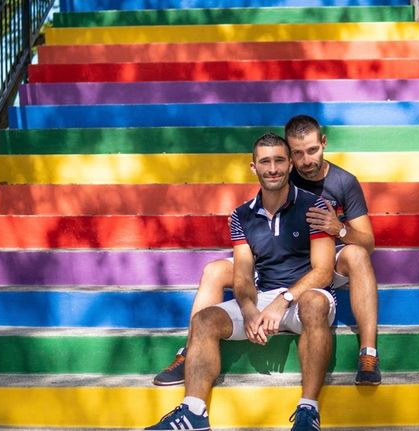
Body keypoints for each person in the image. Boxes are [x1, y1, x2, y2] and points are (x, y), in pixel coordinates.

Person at [153, 115, 380, 387]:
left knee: (357, 254)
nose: (306, 160)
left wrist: (338, 228)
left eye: (312, 151)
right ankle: (189, 352)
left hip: (325, 254)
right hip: (280, 258)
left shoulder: (344, 182)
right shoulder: (280, 170)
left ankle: (368, 352)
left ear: (323, 143)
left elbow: (368, 242)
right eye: (297, 153)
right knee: (214, 270)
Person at [146, 132, 336, 430]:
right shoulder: (241, 215)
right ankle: (193, 412)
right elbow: (244, 272)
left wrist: (282, 301)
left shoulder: (315, 206)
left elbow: (323, 272)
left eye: (279, 161)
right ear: (253, 167)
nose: (272, 168)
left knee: (313, 301)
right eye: (265, 162)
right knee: (205, 320)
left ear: (289, 165)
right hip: (263, 295)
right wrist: (249, 309)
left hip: (305, 297)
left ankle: (308, 410)